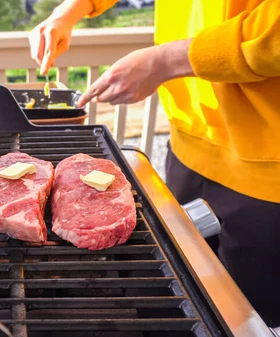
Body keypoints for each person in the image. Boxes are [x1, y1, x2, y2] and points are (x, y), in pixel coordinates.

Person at [28, 0, 280, 326]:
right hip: (188, 147)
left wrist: (165, 62)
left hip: (268, 171)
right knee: (180, 305)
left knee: (247, 319)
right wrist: (72, 10)